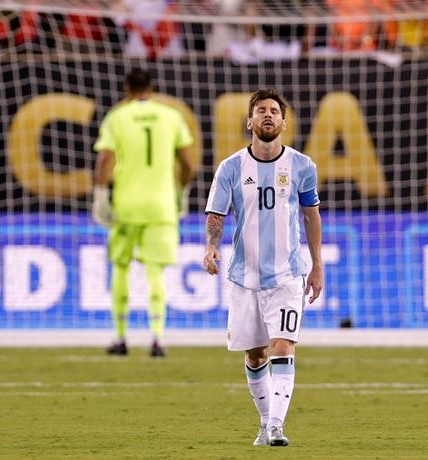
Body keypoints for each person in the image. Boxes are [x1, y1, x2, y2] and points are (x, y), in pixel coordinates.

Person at [203, 89, 323, 447]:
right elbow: (216, 215)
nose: (267, 115)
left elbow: (311, 216)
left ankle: (275, 427)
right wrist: (211, 246)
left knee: (282, 347)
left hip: (287, 276)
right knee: (255, 355)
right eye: (260, 111)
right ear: (250, 122)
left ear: (284, 122)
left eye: (274, 111)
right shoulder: (231, 167)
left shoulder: (303, 166)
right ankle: (264, 422)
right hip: (245, 278)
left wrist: (317, 265)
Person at [92, 68, 196, 358]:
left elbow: (105, 160)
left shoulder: (117, 117)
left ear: (127, 88)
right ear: (152, 87)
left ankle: (121, 336)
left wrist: (100, 195)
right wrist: (182, 191)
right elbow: (189, 164)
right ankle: (157, 338)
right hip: (162, 205)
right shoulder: (171, 116)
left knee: (121, 268)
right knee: (155, 273)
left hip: (126, 206)